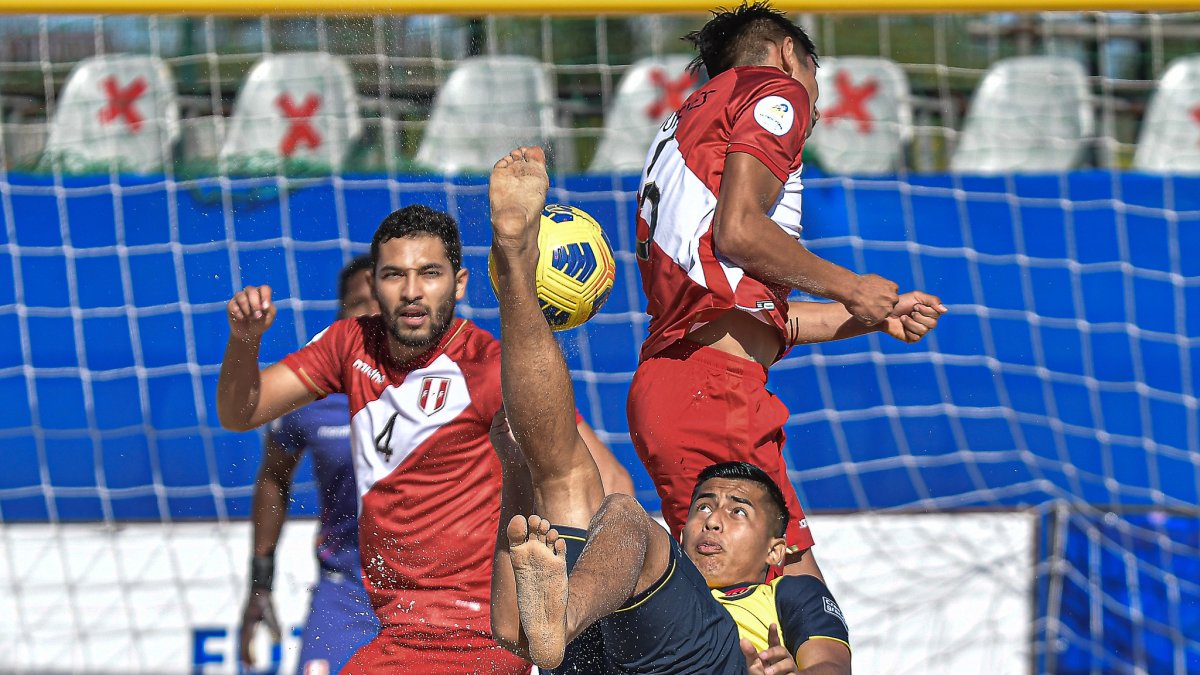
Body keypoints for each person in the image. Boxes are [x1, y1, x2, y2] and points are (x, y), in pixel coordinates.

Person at [216, 204, 629, 674]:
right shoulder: (348, 344)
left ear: (460, 283)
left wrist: (570, 613)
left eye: (430, 273)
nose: (412, 292)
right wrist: (244, 341)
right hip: (393, 626)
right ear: (374, 284)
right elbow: (240, 412)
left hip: (478, 635)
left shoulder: (492, 368)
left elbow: (612, 482)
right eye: (395, 275)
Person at [487, 145, 849, 674]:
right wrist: (515, 474)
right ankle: (517, 264)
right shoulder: (644, 581)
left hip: (714, 660)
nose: (711, 521)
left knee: (623, 514)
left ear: (776, 550)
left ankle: (562, 617)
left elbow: (833, 667)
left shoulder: (789, 594)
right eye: (703, 506)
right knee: (560, 475)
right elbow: (511, 628)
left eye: (737, 511)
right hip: (611, 642)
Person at [627, 1, 947, 577]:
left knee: (797, 619)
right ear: (786, 54)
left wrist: (874, 314)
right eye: (816, 81)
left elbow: (761, 316)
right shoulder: (776, 89)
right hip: (712, 396)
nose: (817, 105)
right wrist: (853, 287)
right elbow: (741, 230)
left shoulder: (686, 122)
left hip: (683, 387)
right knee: (780, 632)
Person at [237, 255, 380, 674]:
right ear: (341, 316)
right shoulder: (312, 397)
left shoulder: (444, 388)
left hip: (429, 590)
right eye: (359, 304)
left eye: (380, 301)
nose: (371, 313)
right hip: (345, 591)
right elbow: (273, 478)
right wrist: (260, 584)